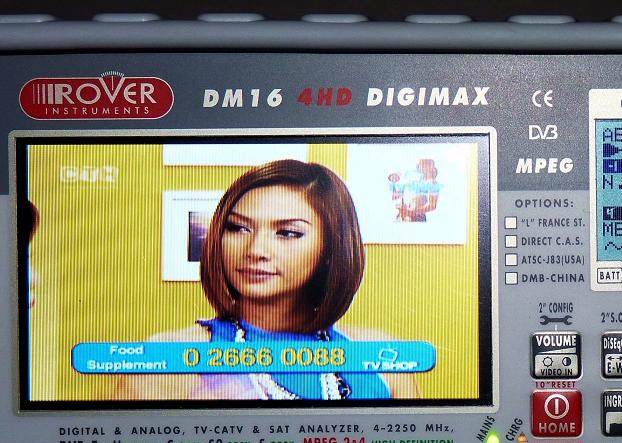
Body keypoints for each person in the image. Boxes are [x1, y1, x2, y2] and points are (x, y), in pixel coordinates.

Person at [122, 159, 418, 400]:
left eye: (287, 233)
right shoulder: (168, 357)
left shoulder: (381, 355)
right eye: (238, 228)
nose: (256, 250)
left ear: (330, 249)